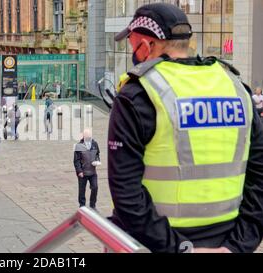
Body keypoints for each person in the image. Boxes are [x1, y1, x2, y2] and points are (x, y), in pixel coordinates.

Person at [109, 3, 263, 253]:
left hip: (157, 244)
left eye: (133, 45)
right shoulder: (236, 88)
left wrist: (181, 249)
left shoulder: (137, 95)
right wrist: (236, 247)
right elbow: (259, 176)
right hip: (228, 240)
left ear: (148, 46)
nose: (132, 53)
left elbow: (126, 194)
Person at [73, 129, 100, 210]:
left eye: (90, 137)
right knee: (82, 190)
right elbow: (76, 160)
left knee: (95, 187)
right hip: (83, 173)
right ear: (83, 137)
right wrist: (79, 171)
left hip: (92, 172)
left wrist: (97, 160)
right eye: (87, 137)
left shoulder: (95, 144)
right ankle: (82, 205)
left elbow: (97, 154)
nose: (88, 139)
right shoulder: (79, 146)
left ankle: (92, 205)